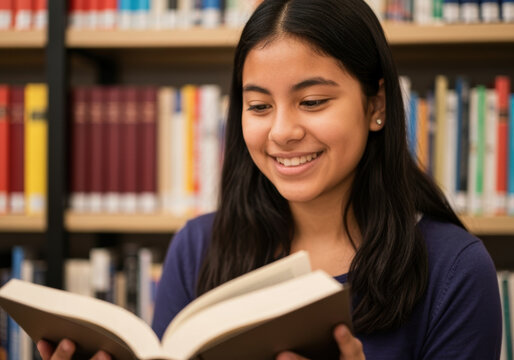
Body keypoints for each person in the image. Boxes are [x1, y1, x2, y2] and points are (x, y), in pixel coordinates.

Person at [38, 0, 502, 359]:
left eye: (313, 101)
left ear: (376, 106)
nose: (282, 131)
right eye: (259, 106)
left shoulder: (454, 270)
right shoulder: (198, 247)